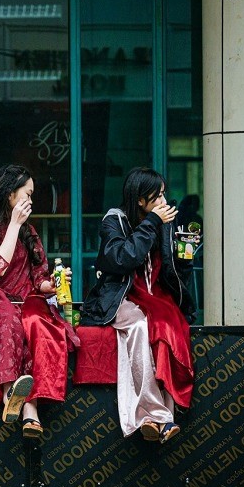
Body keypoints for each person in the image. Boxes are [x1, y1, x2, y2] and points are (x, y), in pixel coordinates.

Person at [81, 167, 195, 443]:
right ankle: (157, 415)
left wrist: (185, 255)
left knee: (168, 327)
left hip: (156, 296)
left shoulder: (164, 223)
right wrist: (153, 222)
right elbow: (123, 258)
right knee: (140, 326)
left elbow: (171, 272)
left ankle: (161, 417)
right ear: (140, 200)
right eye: (157, 197)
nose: (163, 202)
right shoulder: (114, 220)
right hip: (122, 297)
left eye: (164, 195)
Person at [0, 164, 77, 440]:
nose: (30, 200)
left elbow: (39, 276)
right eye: (26, 194)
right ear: (9, 194)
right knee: (8, 321)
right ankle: (9, 395)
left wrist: (51, 285)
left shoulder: (29, 231)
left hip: (26, 297)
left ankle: (30, 408)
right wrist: (14, 224)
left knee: (37, 324)